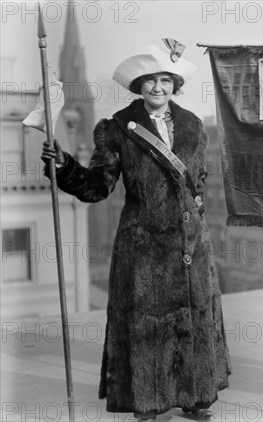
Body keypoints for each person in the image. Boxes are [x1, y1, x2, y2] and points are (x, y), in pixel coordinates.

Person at [41, 43, 230, 421]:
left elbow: (199, 182)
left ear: (174, 84)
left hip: (191, 242)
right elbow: (98, 186)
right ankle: (147, 400)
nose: (158, 88)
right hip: (143, 243)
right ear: (138, 85)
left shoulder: (194, 125)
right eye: (150, 81)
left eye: (165, 80)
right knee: (147, 322)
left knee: (195, 317)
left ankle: (195, 397)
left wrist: (197, 225)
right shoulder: (117, 129)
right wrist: (64, 166)